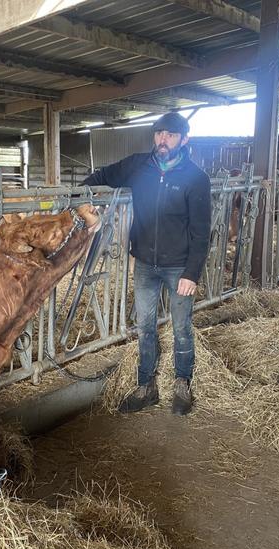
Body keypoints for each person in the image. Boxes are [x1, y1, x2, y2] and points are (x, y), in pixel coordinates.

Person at [82, 112, 211, 416]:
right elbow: (102, 175)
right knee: (145, 327)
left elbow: (201, 232)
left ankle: (182, 384)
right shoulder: (138, 165)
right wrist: (84, 197)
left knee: (181, 328)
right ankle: (146, 387)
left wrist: (192, 273)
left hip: (178, 266)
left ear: (184, 139)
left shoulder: (195, 178)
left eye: (170, 135)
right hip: (144, 264)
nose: (162, 140)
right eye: (159, 134)